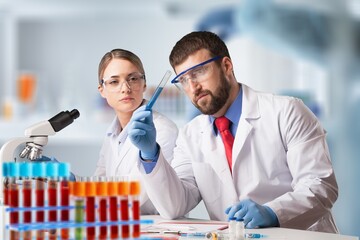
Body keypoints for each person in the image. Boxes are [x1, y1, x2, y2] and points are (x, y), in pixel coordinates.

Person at [127, 31, 339, 232]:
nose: (193, 87)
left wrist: (273, 212)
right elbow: (174, 205)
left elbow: (320, 187)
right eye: (183, 79)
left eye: (199, 72)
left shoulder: (287, 111)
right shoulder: (190, 134)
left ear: (226, 65)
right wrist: (150, 155)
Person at [95, 48, 178, 214]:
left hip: (156, 230)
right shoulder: (113, 132)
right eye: (114, 82)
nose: (125, 88)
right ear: (102, 91)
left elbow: (133, 194)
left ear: (144, 84)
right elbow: (99, 184)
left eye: (133, 79)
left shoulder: (162, 129)